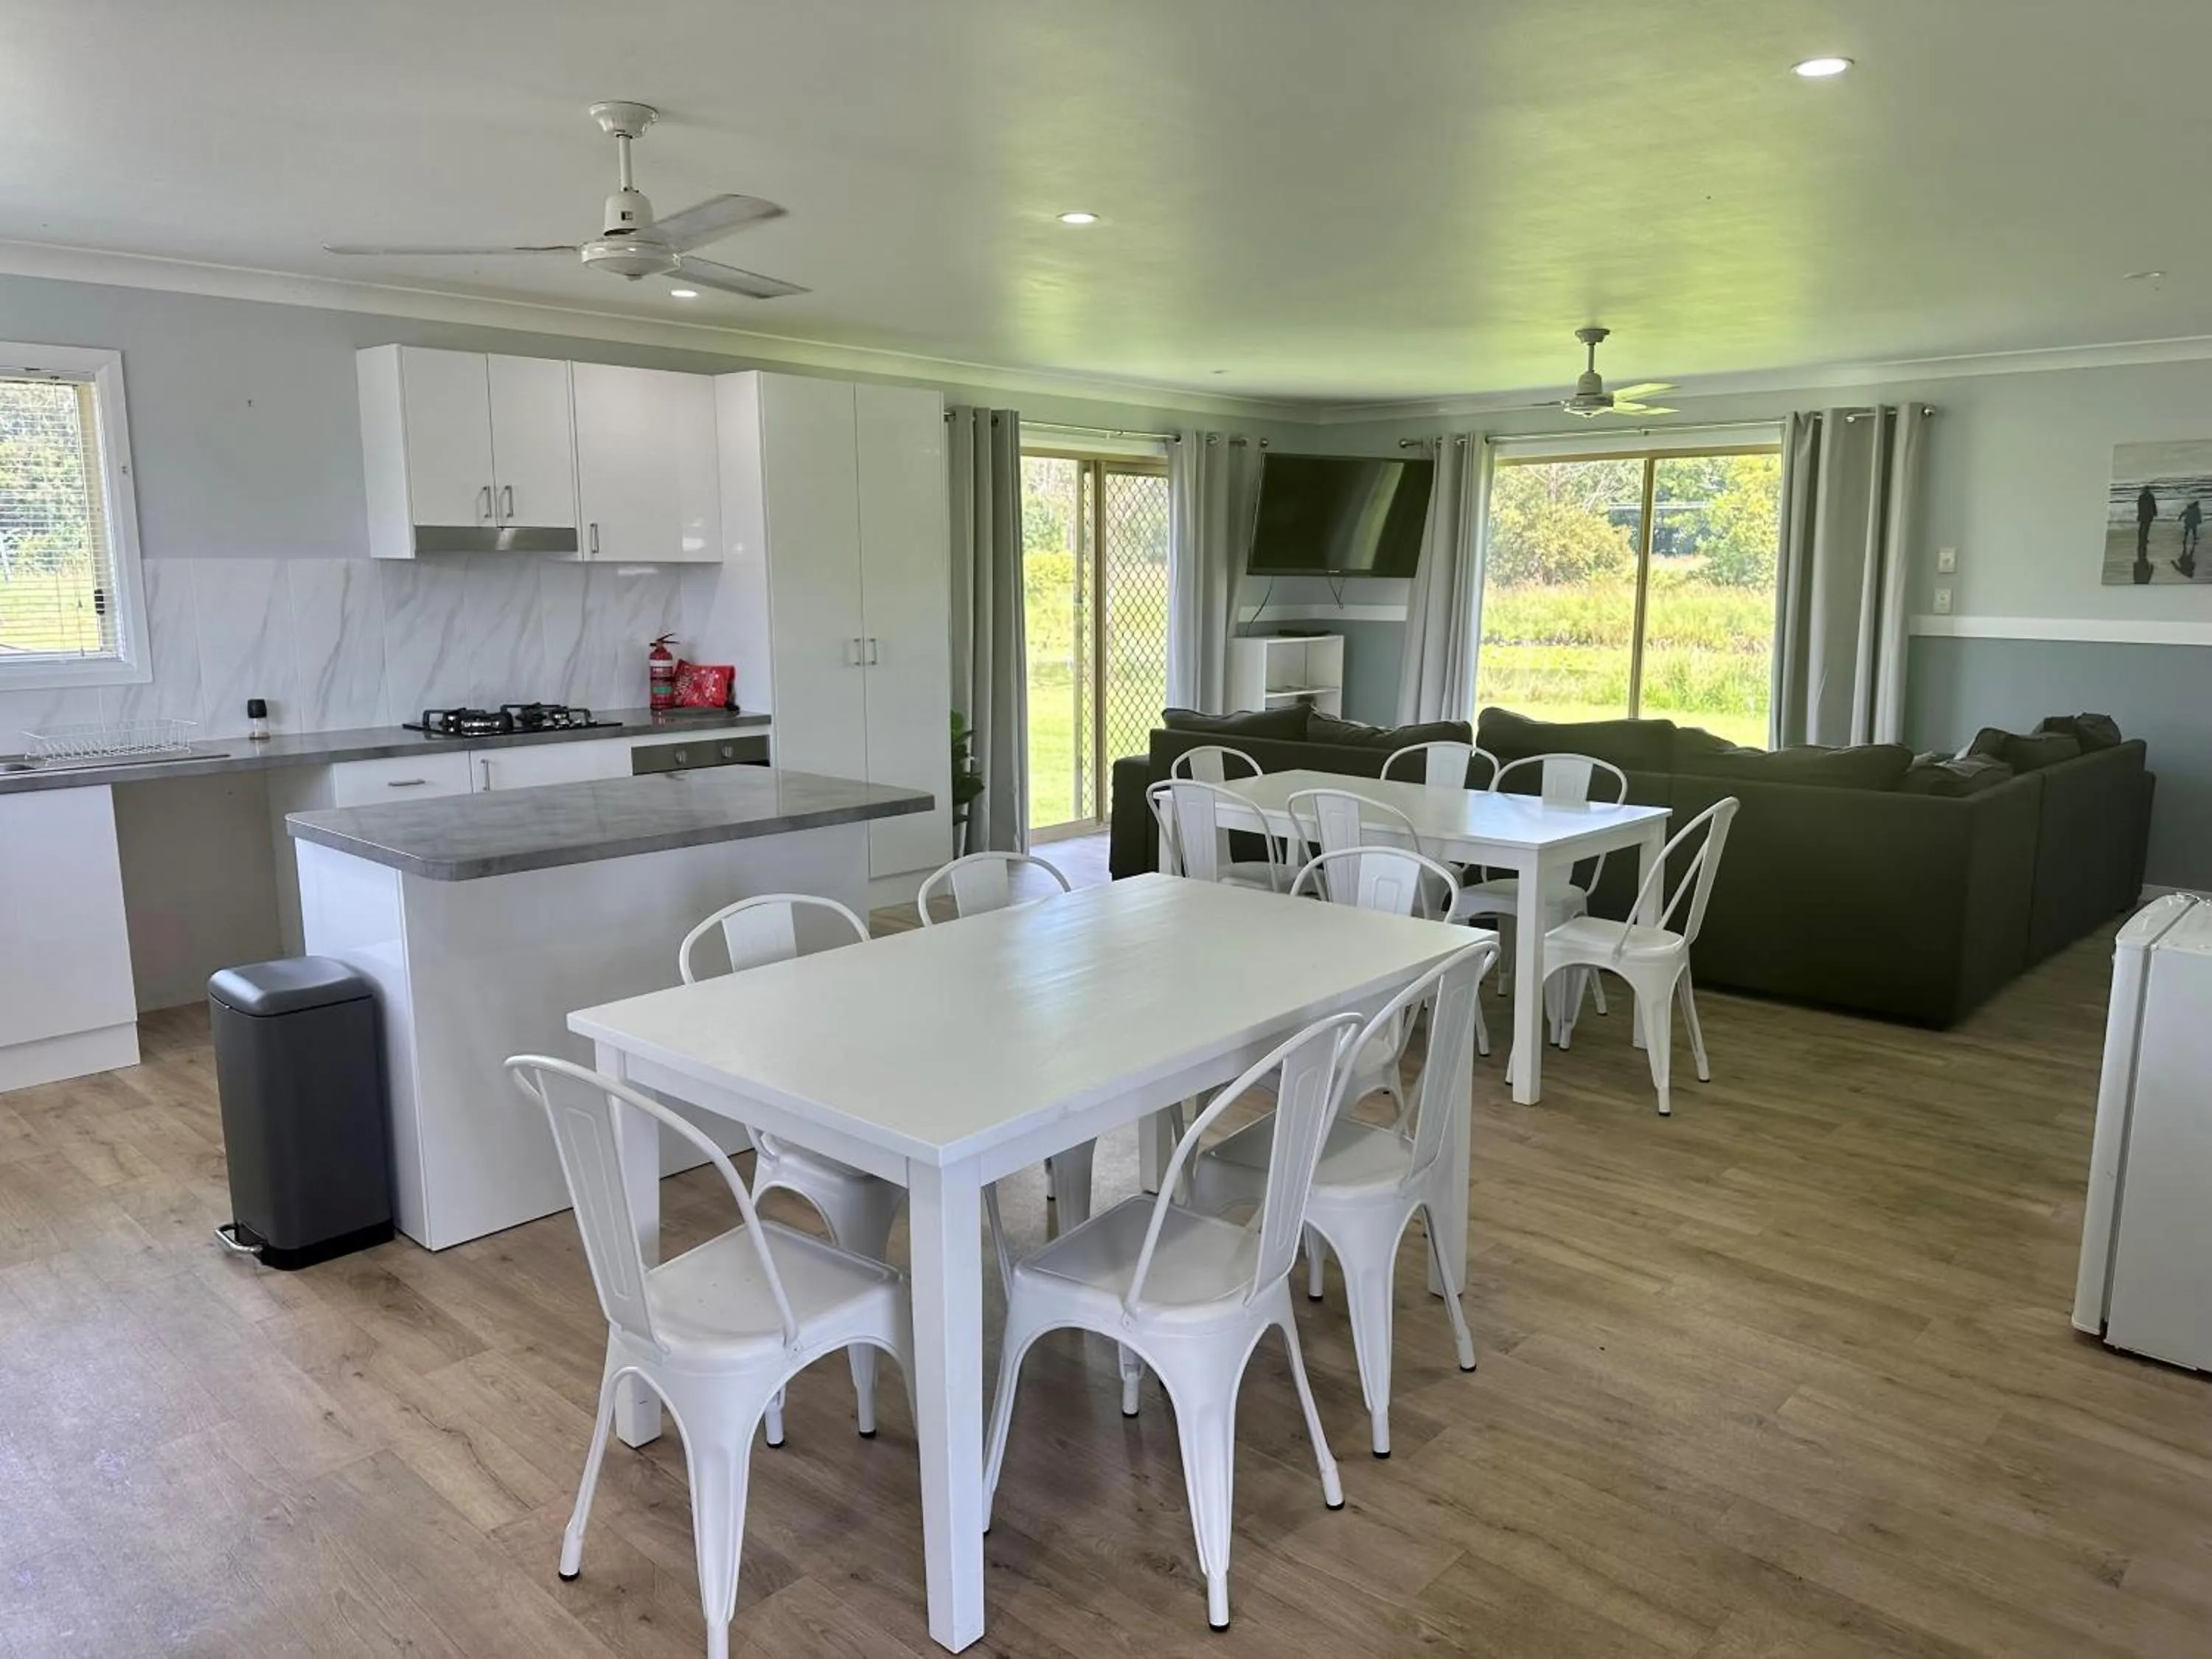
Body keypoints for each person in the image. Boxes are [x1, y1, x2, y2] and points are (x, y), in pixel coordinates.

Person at [2135, 486, 2158, 583]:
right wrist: (2155, 513)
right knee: (2147, 527)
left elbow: (2139, 506)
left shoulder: (2141, 497)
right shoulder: (2151, 496)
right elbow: (2153, 505)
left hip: (2143, 513)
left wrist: (2139, 514)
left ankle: (2142, 538)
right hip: (2149, 514)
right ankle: (2144, 538)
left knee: (2142, 527)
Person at [2177, 498, 2202, 580]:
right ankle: (2194, 539)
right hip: (2193, 522)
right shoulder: (2196, 509)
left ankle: (2186, 540)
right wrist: (2199, 520)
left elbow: (2183, 513)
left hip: (2188, 521)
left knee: (2187, 531)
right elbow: (2199, 515)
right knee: (2193, 531)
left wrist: (2180, 518)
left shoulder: (2189, 509)